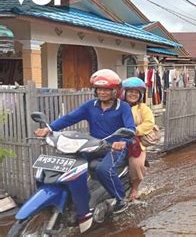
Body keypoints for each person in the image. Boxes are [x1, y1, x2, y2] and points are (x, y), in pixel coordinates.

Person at [34, 69, 136, 220]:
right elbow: (70, 118)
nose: (102, 92)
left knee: (103, 170)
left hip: (114, 148)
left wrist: (122, 141)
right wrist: (48, 129)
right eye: (99, 89)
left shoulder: (123, 107)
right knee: (70, 165)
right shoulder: (90, 105)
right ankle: (75, 198)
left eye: (107, 89)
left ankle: (120, 199)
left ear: (115, 91)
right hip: (94, 145)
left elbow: (130, 128)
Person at [122, 77, 156, 201]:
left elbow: (149, 123)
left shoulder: (143, 108)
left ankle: (135, 188)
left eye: (136, 92)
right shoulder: (117, 106)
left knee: (136, 164)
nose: (133, 94)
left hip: (136, 142)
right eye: (130, 91)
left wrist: (134, 131)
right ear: (124, 92)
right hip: (115, 140)